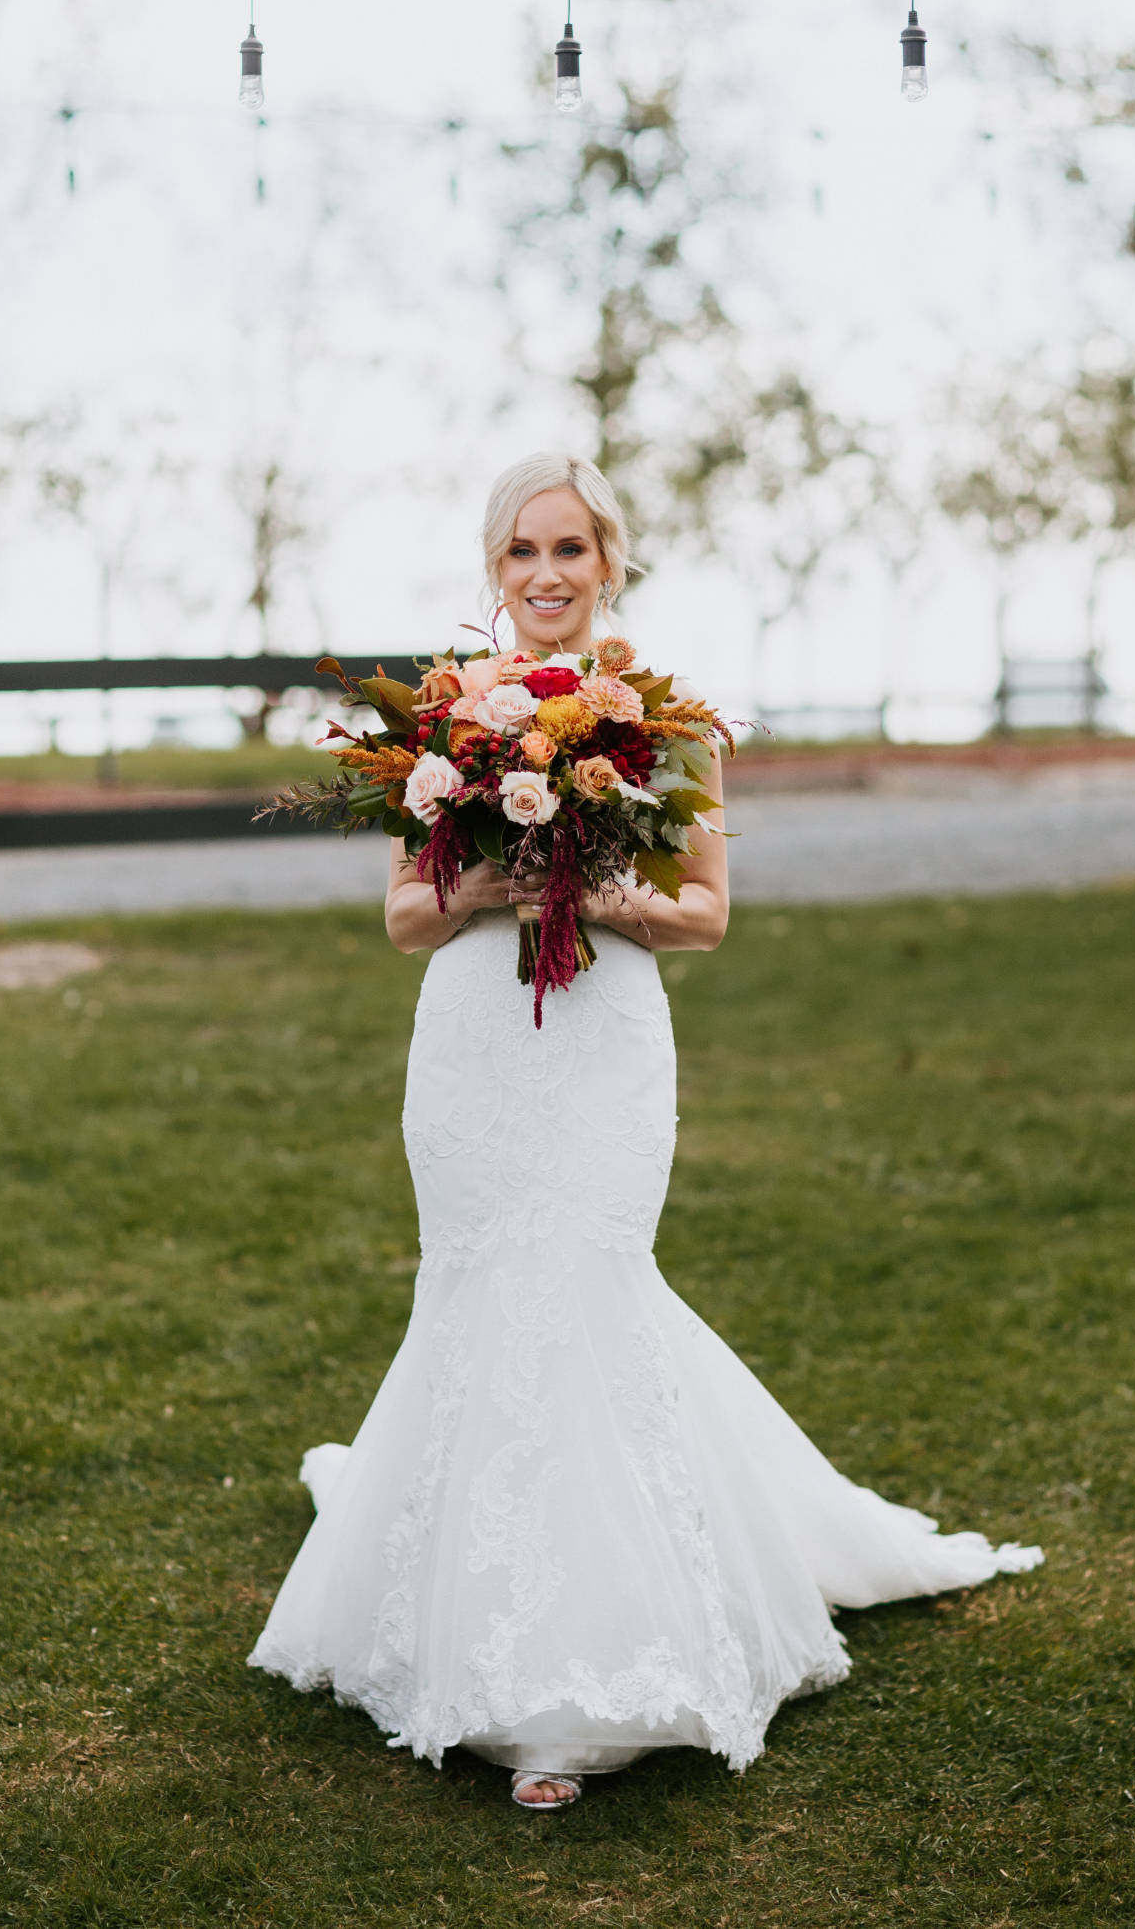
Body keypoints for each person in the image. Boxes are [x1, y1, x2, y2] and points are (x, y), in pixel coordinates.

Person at [248, 451, 1041, 1809]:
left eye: (568, 550)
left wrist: (601, 886)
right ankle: (473, 1626)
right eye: (520, 554)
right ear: (493, 572)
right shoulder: (447, 719)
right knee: (482, 1284)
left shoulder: (667, 724)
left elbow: (710, 911)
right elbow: (399, 916)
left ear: (607, 561)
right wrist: (495, 868)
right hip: (476, 1041)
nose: (545, 575)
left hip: (604, 1034)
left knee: (587, 1280)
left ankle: (578, 1684)